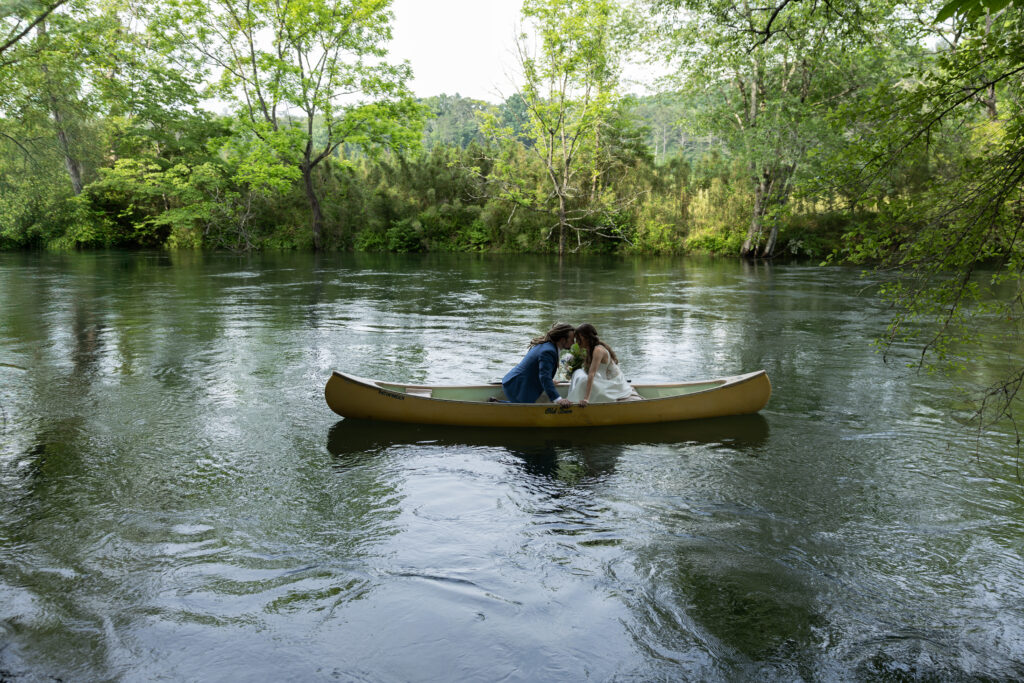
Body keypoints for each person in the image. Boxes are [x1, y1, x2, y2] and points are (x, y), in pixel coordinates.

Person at [501, 323, 575, 406]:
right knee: (525, 414)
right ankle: (495, 403)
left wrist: (549, 381)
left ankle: (494, 401)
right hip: (518, 387)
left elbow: (536, 368)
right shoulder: (549, 351)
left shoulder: (546, 345)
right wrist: (558, 399)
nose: (573, 343)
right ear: (562, 340)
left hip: (514, 382)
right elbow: (544, 377)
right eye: (572, 340)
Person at [567, 323, 641, 406]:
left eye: (577, 338)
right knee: (579, 372)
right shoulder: (590, 348)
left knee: (583, 381)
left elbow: (592, 374)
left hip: (615, 385)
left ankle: (575, 401)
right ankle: (572, 400)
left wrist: (586, 399)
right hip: (606, 380)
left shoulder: (598, 350)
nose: (576, 342)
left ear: (584, 337)